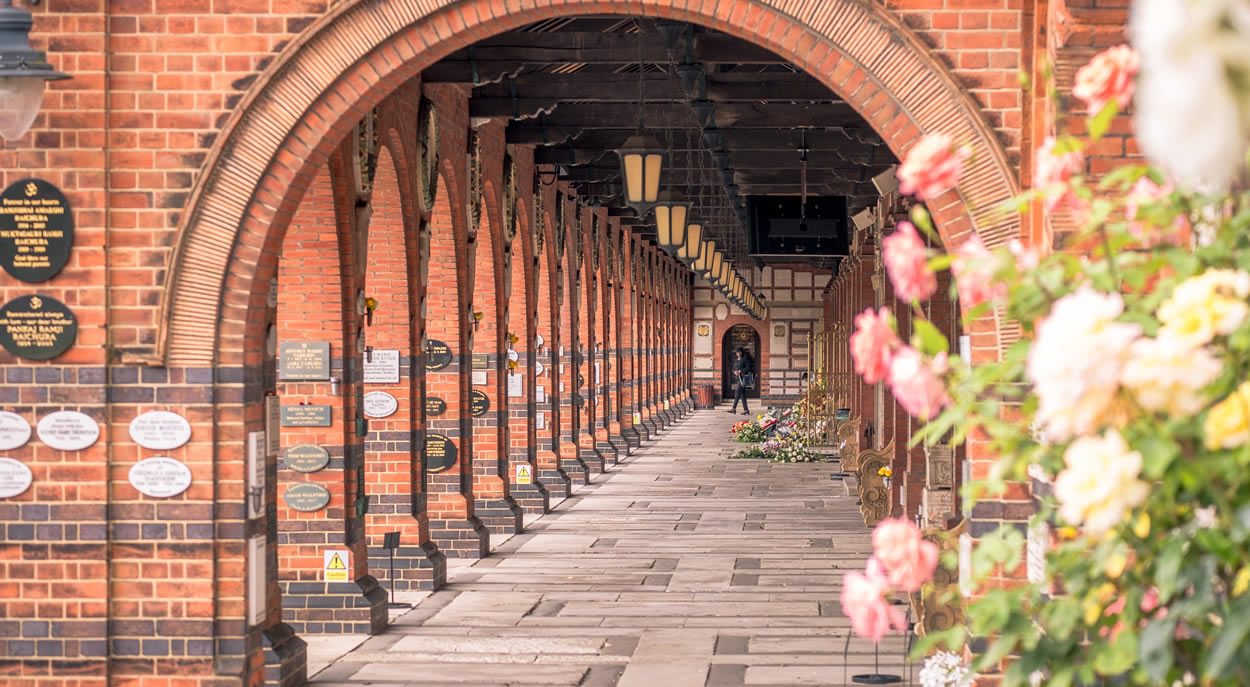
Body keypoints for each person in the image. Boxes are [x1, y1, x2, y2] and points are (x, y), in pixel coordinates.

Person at [729, 347, 755, 415]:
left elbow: (749, 368)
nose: (738, 353)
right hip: (738, 379)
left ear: (742, 352)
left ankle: (734, 408)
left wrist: (740, 371)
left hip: (743, 379)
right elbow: (733, 368)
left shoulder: (745, 358)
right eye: (737, 352)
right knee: (742, 395)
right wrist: (734, 372)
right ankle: (746, 410)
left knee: (737, 393)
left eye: (739, 352)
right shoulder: (736, 360)